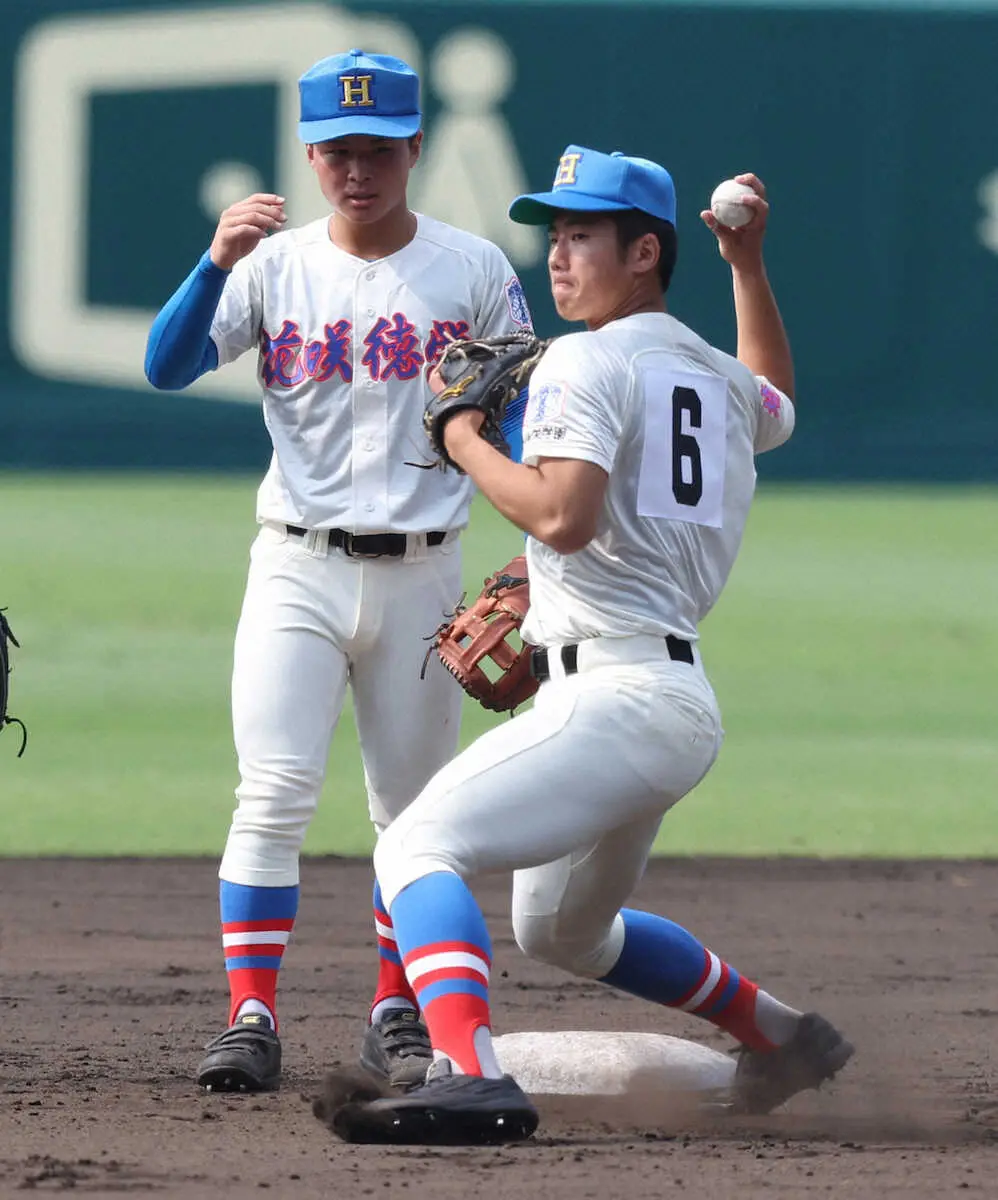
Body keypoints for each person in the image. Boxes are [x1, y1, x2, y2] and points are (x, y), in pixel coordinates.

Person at [321, 145, 854, 1145]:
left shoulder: (584, 358)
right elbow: (774, 398)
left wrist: (465, 441)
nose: (556, 257)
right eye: (553, 234)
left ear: (644, 250)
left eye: (580, 235)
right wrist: (745, 267)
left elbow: (562, 517)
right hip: (670, 704)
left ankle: (471, 1077)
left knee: (415, 846)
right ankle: (781, 1037)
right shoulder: (709, 373)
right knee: (558, 930)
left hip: (609, 695)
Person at [144, 49, 533, 1094]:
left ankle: (396, 1008)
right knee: (270, 793)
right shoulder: (271, 266)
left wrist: (536, 530)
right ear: (310, 156)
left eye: (377, 149)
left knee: (411, 815)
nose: (357, 169)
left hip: (426, 574)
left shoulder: (474, 269)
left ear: (412, 147)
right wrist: (212, 264)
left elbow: (526, 414)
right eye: (336, 152)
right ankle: (249, 1015)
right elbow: (166, 361)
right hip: (297, 568)